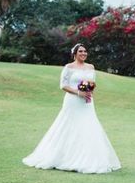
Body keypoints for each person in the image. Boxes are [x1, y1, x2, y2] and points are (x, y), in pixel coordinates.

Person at [22, 43, 121, 174]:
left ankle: (89, 159)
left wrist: (89, 93)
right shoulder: (69, 67)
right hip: (73, 101)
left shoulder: (91, 67)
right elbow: (63, 85)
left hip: (87, 103)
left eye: (85, 51)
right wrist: (79, 92)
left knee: (88, 126)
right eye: (80, 51)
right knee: (69, 125)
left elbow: (92, 84)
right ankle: (62, 157)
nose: (83, 53)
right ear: (75, 53)